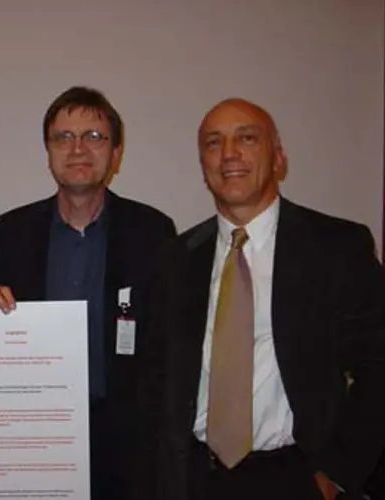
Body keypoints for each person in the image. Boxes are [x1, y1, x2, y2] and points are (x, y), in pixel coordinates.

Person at [133, 98, 385, 500]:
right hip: (194, 479)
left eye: (247, 138)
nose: (229, 153)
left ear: (279, 158)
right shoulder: (175, 260)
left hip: (296, 479)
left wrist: (336, 475)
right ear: (203, 166)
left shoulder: (337, 247)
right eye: (213, 143)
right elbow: (154, 380)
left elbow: (377, 368)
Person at [0, 86, 177, 499]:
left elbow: (167, 347)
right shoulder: (12, 231)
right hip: (36, 439)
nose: (78, 149)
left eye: (94, 137)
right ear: (48, 151)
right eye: (64, 137)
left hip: (127, 446)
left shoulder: (153, 231)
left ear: (116, 153)